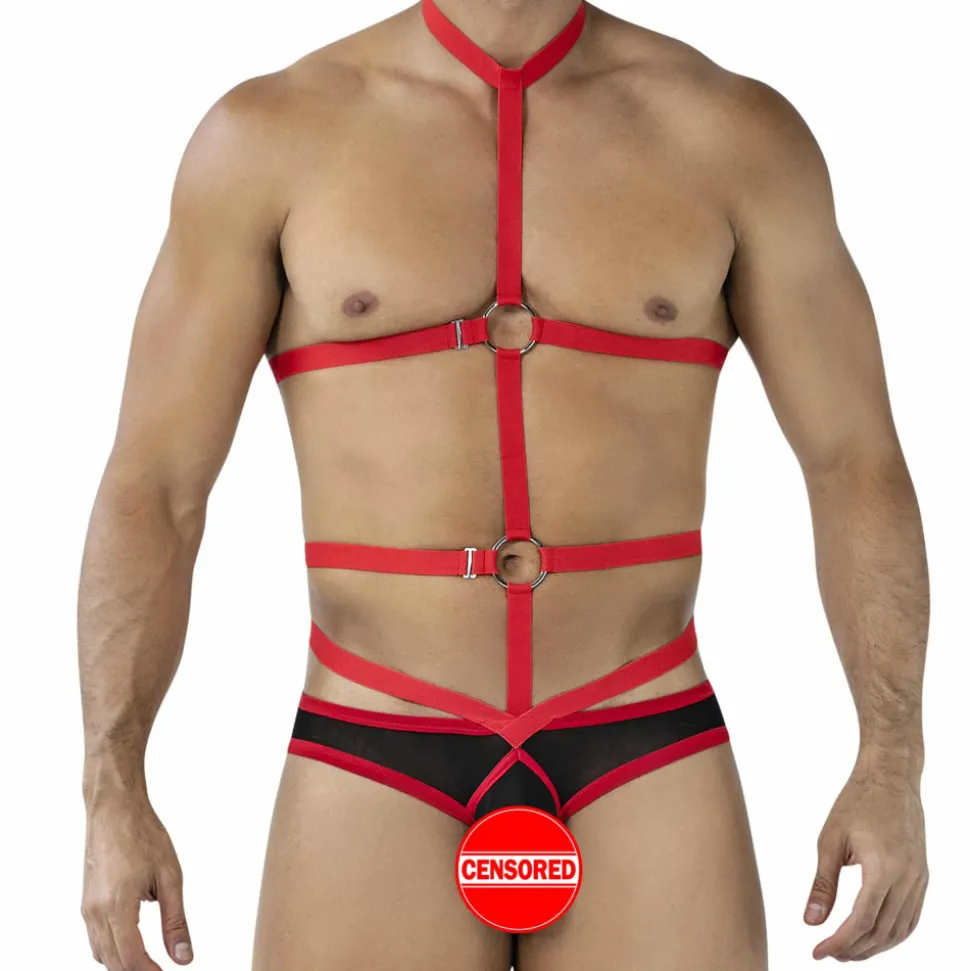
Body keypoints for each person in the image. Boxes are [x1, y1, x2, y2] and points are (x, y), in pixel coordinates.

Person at [77, 1, 929, 969]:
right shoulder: (272, 135)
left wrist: (890, 763)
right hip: (375, 741)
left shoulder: (732, 134)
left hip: (643, 737)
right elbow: (155, 487)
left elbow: (854, 461)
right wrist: (112, 788)